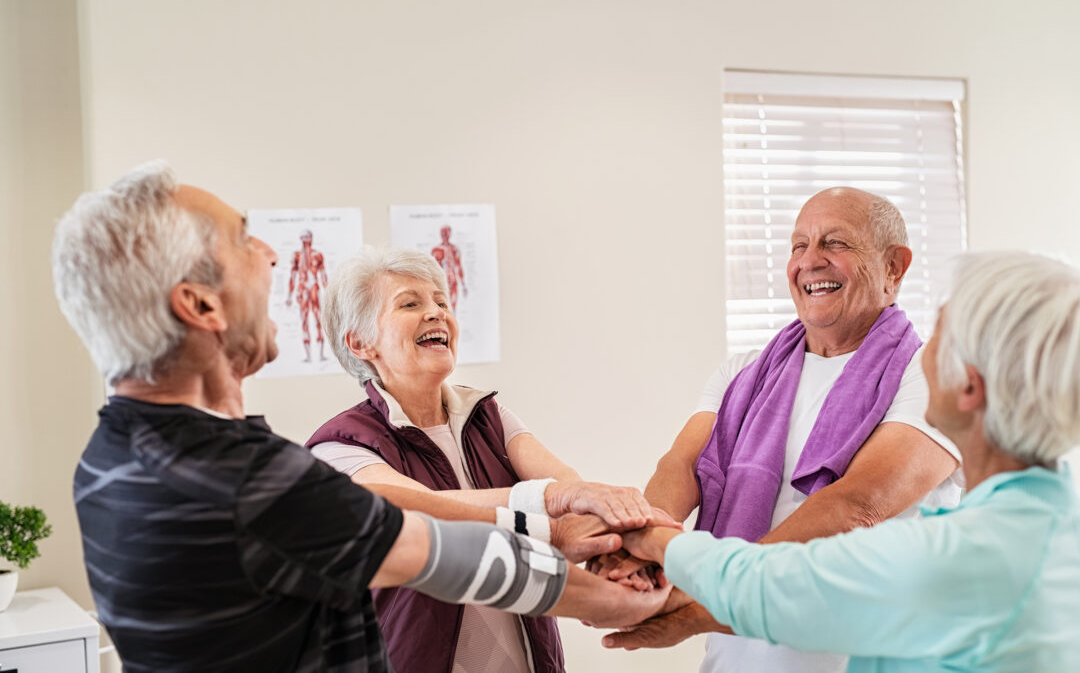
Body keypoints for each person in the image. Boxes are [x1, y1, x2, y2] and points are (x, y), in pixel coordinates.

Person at [52, 161, 670, 673]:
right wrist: (621, 602)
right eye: (244, 239)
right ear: (199, 303)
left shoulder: (112, 453)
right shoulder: (237, 476)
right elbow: (448, 553)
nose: (271, 256)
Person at [608, 251, 1080, 671]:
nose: (921, 349)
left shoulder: (951, 556)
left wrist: (643, 537)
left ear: (969, 387)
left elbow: (771, 583)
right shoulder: (1051, 527)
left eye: (940, 336)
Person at [615, 187, 963, 672]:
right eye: (799, 245)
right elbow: (681, 466)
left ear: (894, 267)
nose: (810, 261)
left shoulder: (934, 376)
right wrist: (639, 553)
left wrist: (709, 601)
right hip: (734, 656)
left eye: (836, 243)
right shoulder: (743, 372)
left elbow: (856, 504)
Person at [306, 245, 669, 672]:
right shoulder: (341, 447)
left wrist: (610, 551)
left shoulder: (488, 415)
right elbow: (424, 516)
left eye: (442, 302)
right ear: (361, 343)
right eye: (410, 303)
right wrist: (555, 515)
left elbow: (571, 490)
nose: (437, 313)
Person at [286, 229, 329, 361]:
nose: (306, 242)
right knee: (304, 320)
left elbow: (323, 275)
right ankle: (309, 356)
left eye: (308, 238)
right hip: (303, 290)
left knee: (318, 319)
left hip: (314, 289)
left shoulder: (318, 255)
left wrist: (328, 293)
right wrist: (289, 295)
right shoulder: (297, 256)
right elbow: (292, 277)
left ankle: (320, 354)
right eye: (304, 238)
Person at [431, 224, 466, 311]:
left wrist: (463, 284)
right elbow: (433, 268)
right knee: (442, 307)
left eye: (446, 233)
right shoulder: (436, 250)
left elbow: (459, 267)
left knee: (453, 308)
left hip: (453, 282)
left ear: (450, 234)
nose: (444, 236)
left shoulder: (455, 249)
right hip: (441, 283)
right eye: (443, 233)